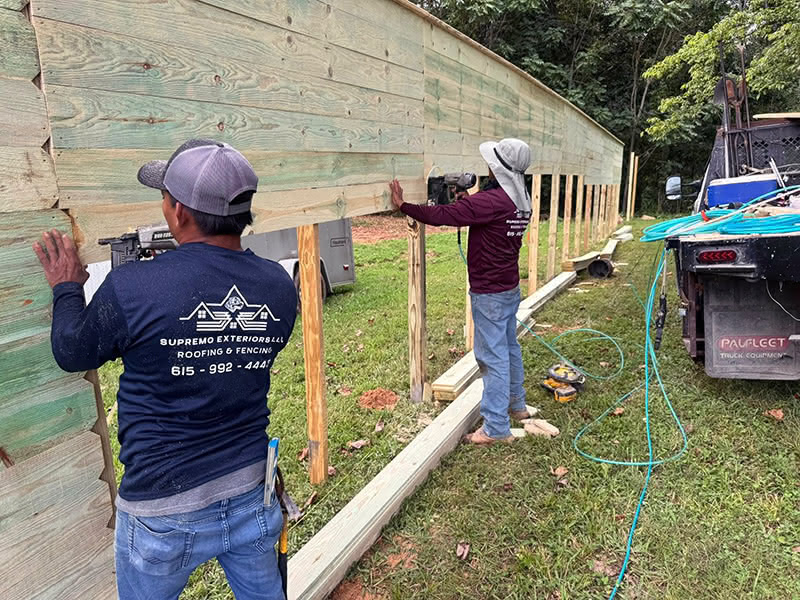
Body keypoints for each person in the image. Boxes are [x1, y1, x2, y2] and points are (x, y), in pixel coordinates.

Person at [33, 139, 297, 600]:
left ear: (178, 212)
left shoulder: (133, 287)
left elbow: (73, 352)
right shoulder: (278, 284)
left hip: (161, 513)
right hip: (251, 493)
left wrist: (67, 289)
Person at [390, 138, 534, 445]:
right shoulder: (520, 197)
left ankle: (495, 428)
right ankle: (516, 405)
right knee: (509, 348)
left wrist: (404, 206)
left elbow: (444, 216)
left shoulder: (492, 201)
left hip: (490, 293)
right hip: (508, 288)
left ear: (498, 168)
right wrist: (467, 200)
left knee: (491, 357)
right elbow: (485, 214)